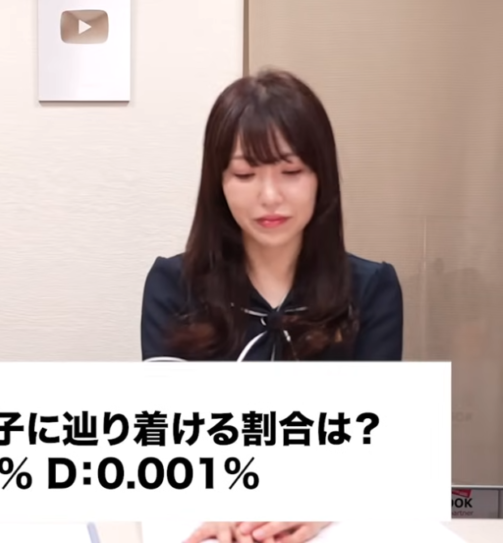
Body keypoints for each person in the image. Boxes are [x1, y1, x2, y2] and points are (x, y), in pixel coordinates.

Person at [139, 70, 403, 543]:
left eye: (291, 171)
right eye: (245, 174)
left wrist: (320, 502)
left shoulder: (372, 289)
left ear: (321, 177)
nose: (269, 196)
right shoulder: (172, 286)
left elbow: (376, 441)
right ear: (218, 182)